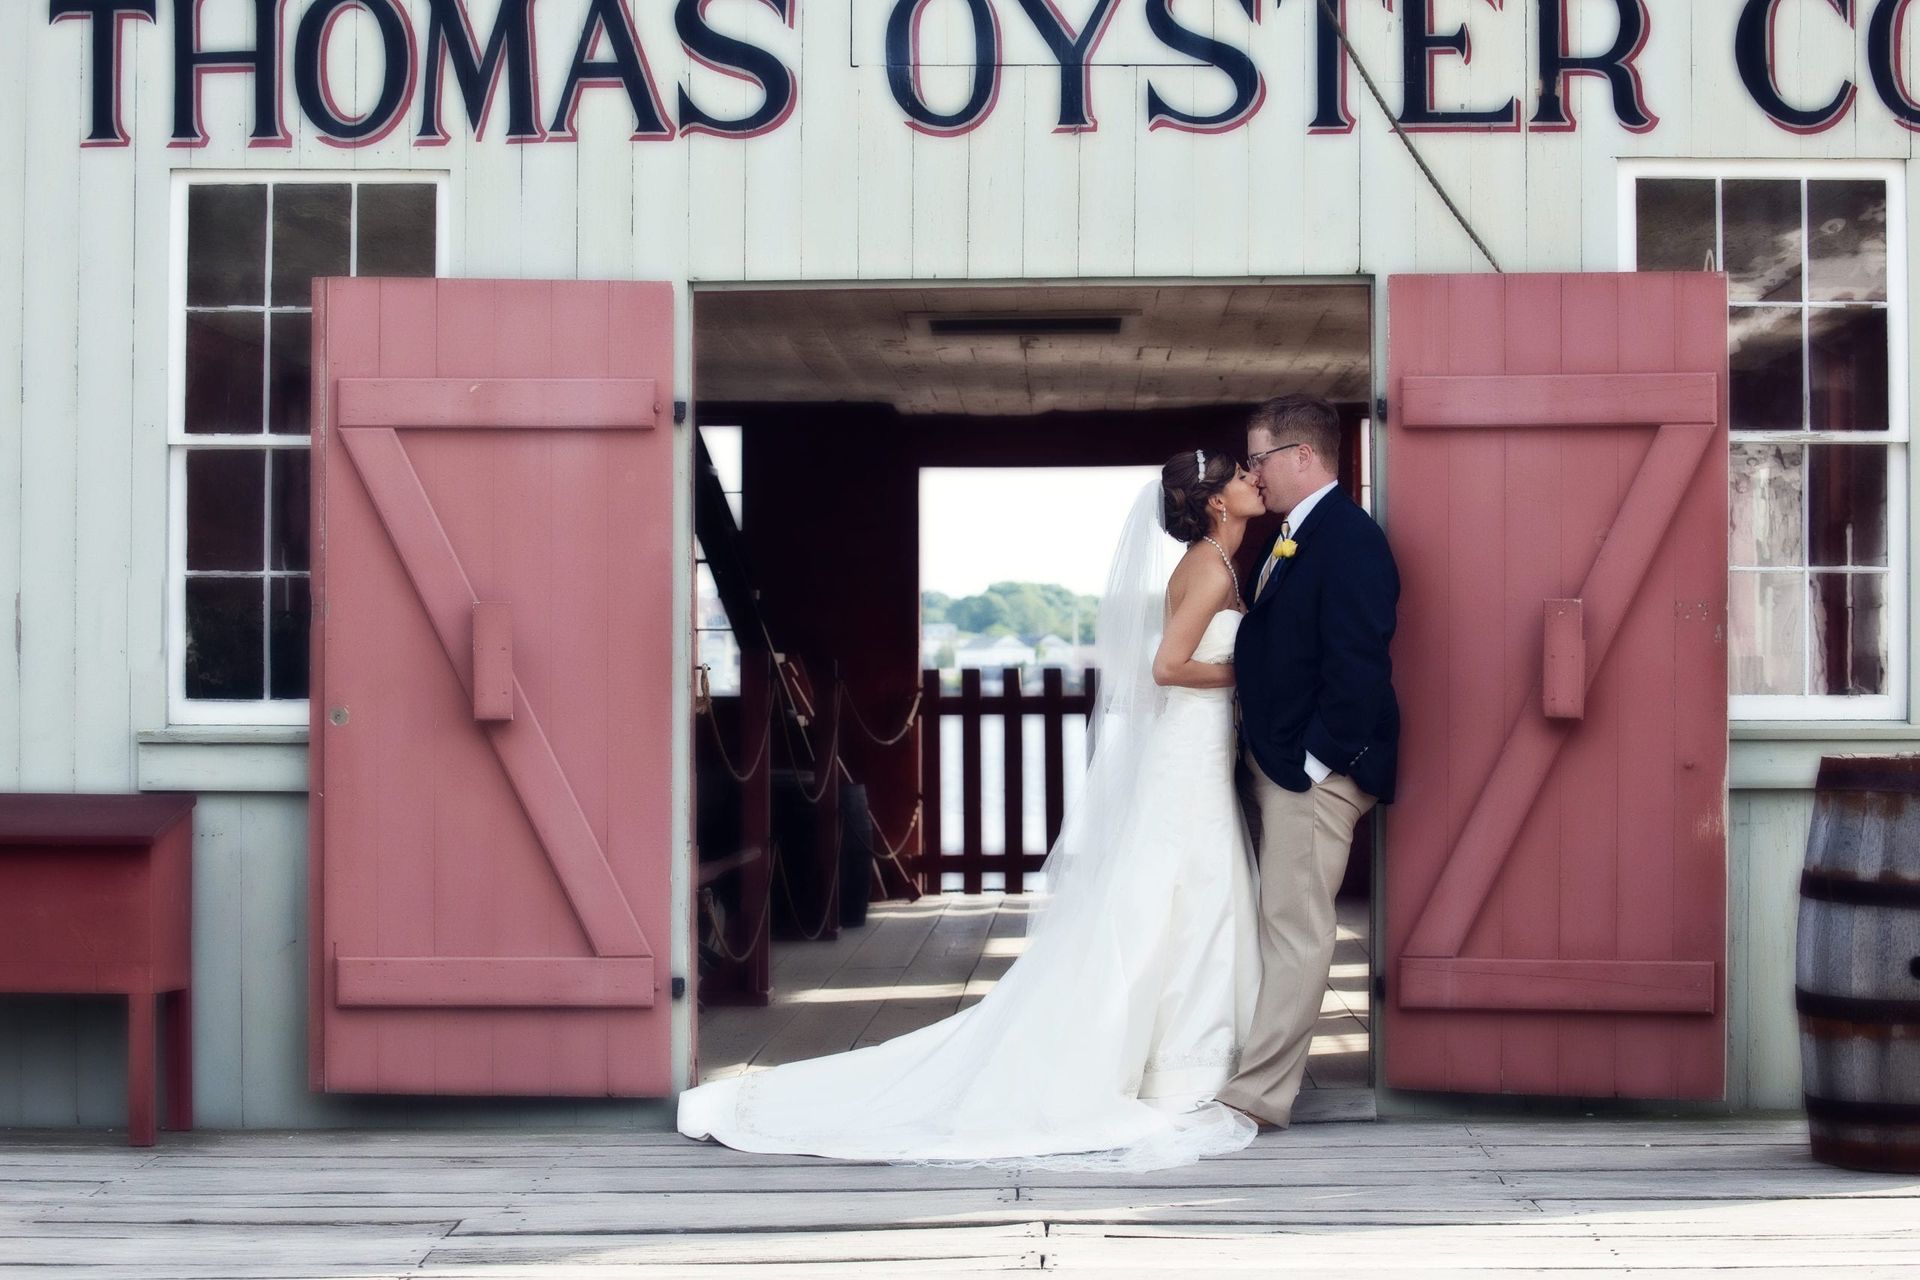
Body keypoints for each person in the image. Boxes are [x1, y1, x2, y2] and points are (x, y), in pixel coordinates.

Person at [676, 450, 1269, 1169]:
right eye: (1241, 474)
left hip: (1198, 753)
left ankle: (1182, 1055)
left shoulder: (1216, 562)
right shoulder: (1207, 567)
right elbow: (1168, 667)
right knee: (1183, 894)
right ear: (1214, 502)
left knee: (1192, 897)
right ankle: (1177, 1066)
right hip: (1187, 758)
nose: (1253, 480)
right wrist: (1253, 672)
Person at [1216, 393, 1400, 1130]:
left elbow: (1359, 665)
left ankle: (1257, 1098)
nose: (1252, 474)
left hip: (1309, 774)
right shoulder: (1296, 533)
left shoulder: (1349, 539)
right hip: (1279, 763)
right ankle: (1254, 1076)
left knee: (1296, 931)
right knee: (1276, 924)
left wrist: (1316, 766)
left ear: (1303, 457)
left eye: (1259, 458)